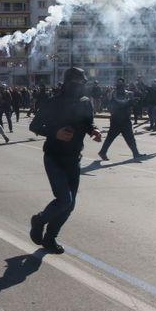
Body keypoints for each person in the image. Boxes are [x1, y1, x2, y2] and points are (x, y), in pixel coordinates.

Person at [29, 68, 102, 254]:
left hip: (73, 158)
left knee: (70, 205)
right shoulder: (53, 102)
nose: (79, 88)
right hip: (54, 156)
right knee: (64, 200)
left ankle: (50, 238)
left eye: (82, 84)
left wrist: (93, 130)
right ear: (69, 83)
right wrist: (55, 132)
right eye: (77, 84)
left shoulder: (85, 103)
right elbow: (35, 125)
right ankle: (39, 220)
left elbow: (87, 122)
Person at [98, 78, 143, 161]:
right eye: (119, 84)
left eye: (122, 84)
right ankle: (102, 152)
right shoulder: (113, 93)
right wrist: (130, 102)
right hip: (116, 119)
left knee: (130, 138)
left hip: (125, 119)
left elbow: (128, 103)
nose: (121, 86)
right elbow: (120, 103)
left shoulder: (127, 93)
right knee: (110, 138)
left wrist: (133, 101)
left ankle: (135, 153)